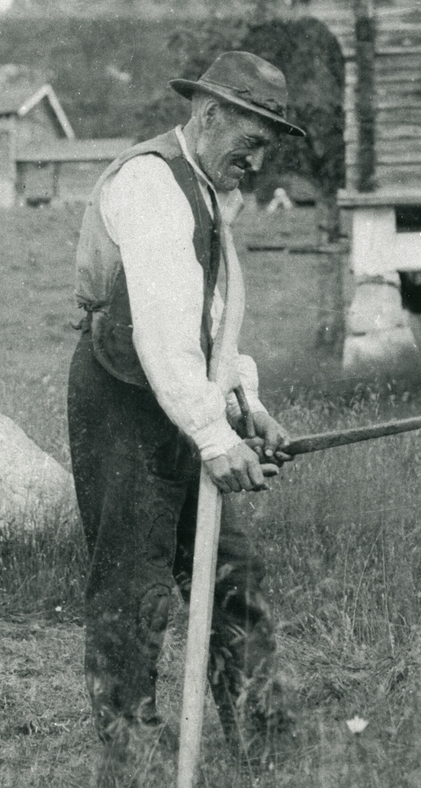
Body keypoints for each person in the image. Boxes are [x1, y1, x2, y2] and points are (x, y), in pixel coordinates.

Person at [67, 51, 306, 782]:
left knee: (237, 578)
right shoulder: (152, 184)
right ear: (207, 116)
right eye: (250, 139)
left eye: (269, 146)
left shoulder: (212, 196)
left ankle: (263, 754)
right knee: (134, 593)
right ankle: (133, 764)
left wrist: (244, 405)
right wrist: (212, 435)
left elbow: (210, 324)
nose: (258, 161)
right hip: (122, 398)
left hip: (181, 396)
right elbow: (165, 332)